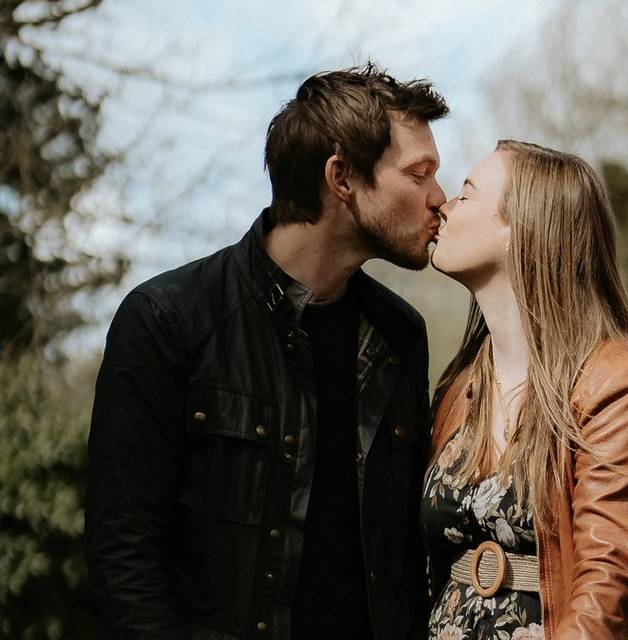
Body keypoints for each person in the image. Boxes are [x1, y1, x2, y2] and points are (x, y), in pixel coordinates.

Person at [84, 63, 447, 640]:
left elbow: (402, 559)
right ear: (342, 178)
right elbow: (123, 565)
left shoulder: (399, 335)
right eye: (418, 173)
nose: (439, 198)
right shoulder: (168, 320)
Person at [423, 140, 628, 639]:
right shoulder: (460, 389)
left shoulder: (615, 384)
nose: (444, 206)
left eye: (466, 195)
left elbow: (610, 584)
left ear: (520, 230)